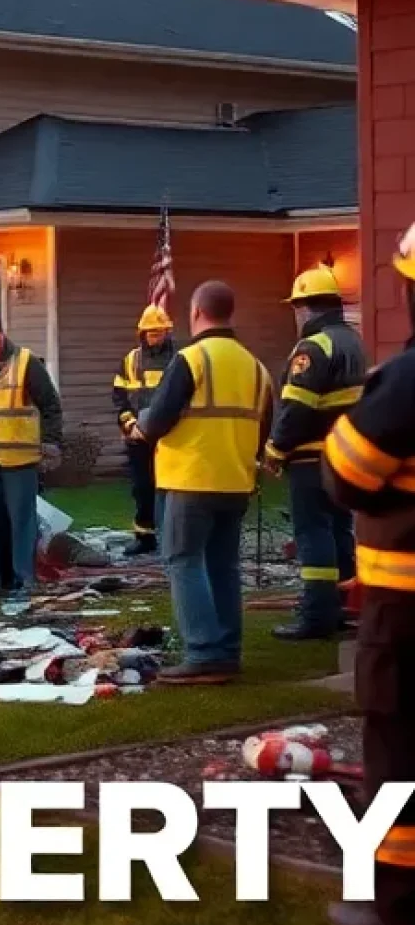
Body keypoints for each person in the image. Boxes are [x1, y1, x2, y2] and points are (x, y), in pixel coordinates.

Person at [322, 223, 415, 925]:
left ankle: (398, 904)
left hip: (407, 614)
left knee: (401, 751)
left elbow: (346, 473)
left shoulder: (406, 381)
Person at [139, 281, 272, 685]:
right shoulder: (256, 367)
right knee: (223, 565)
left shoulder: (191, 359)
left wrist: (142, 424)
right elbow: (265, 426)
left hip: (191, 478)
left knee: (183, 560)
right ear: (230, 313)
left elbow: (158, 420)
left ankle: (202, 652)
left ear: (197, 313)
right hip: (235, 480)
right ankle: (227, 651)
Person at [265, 266, 365, 641]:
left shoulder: (313, 347)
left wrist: (275, 449)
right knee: (340, 530)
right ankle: (341, 606)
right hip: (345, 455)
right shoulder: (353, 341)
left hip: (311, 458)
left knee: (313, 533)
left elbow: (297, 408)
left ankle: (317, 615)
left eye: (296, 307)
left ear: (306, 308)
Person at [0, 312, 62, 594]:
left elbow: (51, 405)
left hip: (19, 459)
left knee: (22, 521)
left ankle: (23, 579)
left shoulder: (26, 363)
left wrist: (51, 443)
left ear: (0, 337)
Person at [111, 304, 177, 556]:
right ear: (142, 334)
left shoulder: (179, 360)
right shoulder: (131, 360)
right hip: (138, 437)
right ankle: (144, 537)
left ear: (167, 333)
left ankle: (172, 536)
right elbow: (119, 396)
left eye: (159, 332)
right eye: (150, 333)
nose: (155, 337)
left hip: (171, 436)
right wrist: (129, 424)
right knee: (142, 488)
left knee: (172, 488)